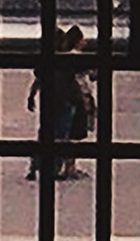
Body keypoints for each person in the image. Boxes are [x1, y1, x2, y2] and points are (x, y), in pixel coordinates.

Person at [31, 27, 95, 178]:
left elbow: (38, 79)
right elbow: (84, 79)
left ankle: (36, 167)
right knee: (63, 135)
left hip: (50, 100)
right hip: (67, 100)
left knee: (46, 132)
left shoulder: (46, 58)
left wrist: (32, 95)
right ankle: (57, 168)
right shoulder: (68, 59)